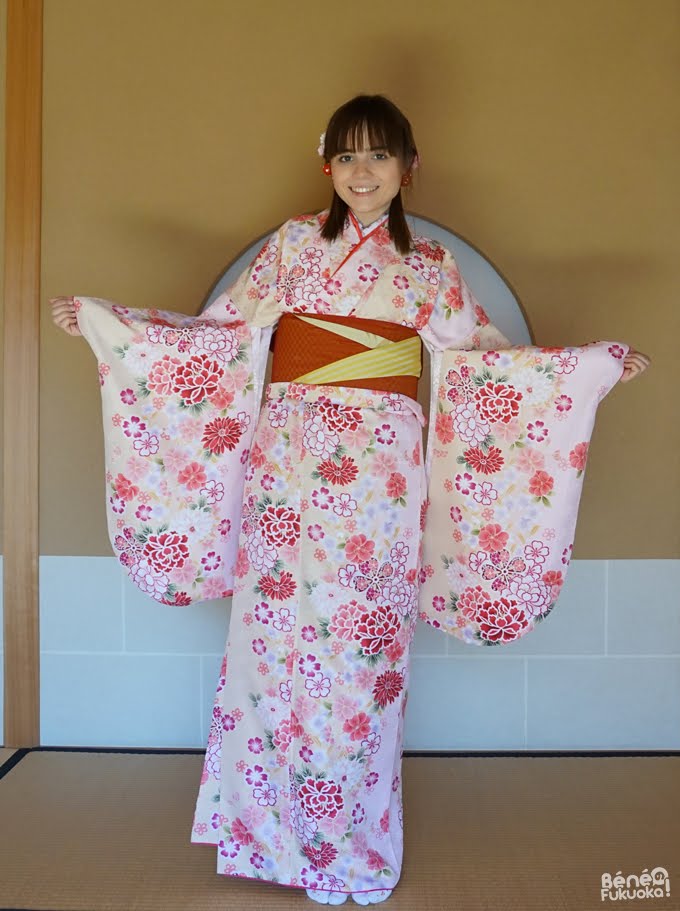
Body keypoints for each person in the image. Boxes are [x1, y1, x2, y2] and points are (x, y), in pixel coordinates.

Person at [51, 94, 650, 905]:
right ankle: (266, 842)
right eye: (348, 156)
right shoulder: (295, 245)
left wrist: (587, 371)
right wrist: (108, 326)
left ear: (410, 168)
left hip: (379, 471)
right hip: (288, 459)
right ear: (326, 166)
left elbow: (486, 359)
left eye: (379, 156)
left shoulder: (432, 268)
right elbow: (218, 331)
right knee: (272, 645)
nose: (362, 172)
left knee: (361, 652)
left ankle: (353, 851)